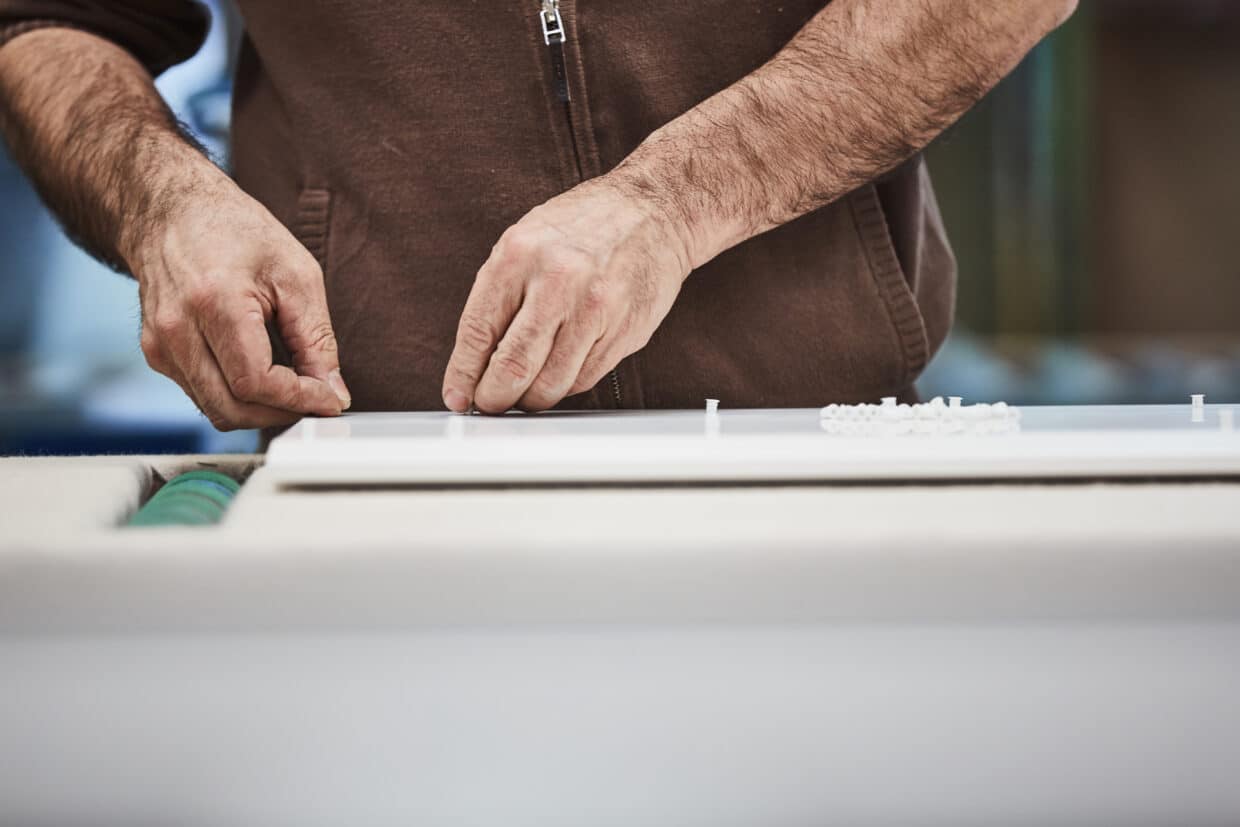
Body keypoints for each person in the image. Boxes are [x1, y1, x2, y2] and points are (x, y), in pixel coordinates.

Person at [0, 1, 1076, 430]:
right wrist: (165, 205)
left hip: (814, 450)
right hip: (363, 473)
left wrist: (675, 200)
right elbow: (49, 21)